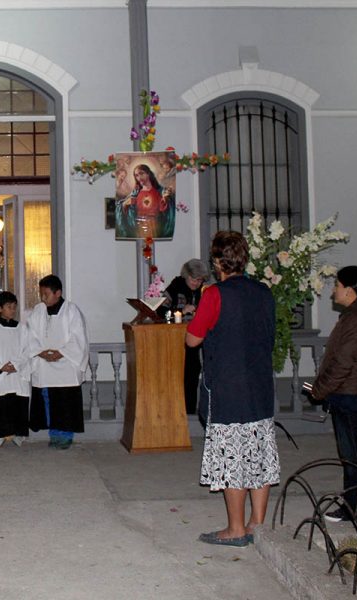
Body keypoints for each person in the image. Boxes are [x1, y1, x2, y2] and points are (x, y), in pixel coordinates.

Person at [186, 231, 279, 548]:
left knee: (233, 457)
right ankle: (257, 523)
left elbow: (193, 339)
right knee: (259, 452)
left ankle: (236, 528)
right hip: (260, 385)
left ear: (216, 262)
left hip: (228, 387)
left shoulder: (215, 294)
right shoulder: (264, 292)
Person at [309, 265, 357, 522]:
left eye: (336, 286)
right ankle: (354, 505)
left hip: (350, 395)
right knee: (351, 456)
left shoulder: (356, 317)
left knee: (355, 457)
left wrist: (320, 389)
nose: (333, 291)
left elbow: (343, 363)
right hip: (348, 393)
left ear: (349, 290)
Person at [25, 275, 89, 450]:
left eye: (46, 294)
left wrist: (61, 353)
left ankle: (65, 435)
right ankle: (54, 434)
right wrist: (41, 352)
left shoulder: (71, 311)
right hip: (45, 363)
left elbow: (78, 338)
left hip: (66, 364)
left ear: (58, 293)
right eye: (41, 294)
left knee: (65, 402)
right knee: (48, 400)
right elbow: (30, 335)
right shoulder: (38, 311)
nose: (42, 298)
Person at [0, 291, 30, 447]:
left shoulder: (21, 329)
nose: (13, 310)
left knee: (17, 401)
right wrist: (1, 366)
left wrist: (16, 364)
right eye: (9, 307)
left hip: (16, 371)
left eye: (14, 307)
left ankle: (19, 433)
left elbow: (27, 349)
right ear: (0, 308)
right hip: (1, 371)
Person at [163, 258, 210, 414]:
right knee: (176, 375)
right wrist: (181, 311)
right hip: (176, 340)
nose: (196, 283)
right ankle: (176, 411)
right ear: (186, 275)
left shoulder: (204, 291)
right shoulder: (176, 286)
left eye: (200, 280)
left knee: (193, 372)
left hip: (197, 339)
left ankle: (190, 411)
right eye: (193, 279)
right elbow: (160, 312)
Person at [118, 163, 175, 239]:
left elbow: (165, 210)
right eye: (136, 175)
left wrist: (166, 199)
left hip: (154, 226)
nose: (139, 177)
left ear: (148, 174)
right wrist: (125, 204)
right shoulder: (136, 192)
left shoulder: (159, 192)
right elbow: (122, 207)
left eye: (141, 173)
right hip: (138, 227)